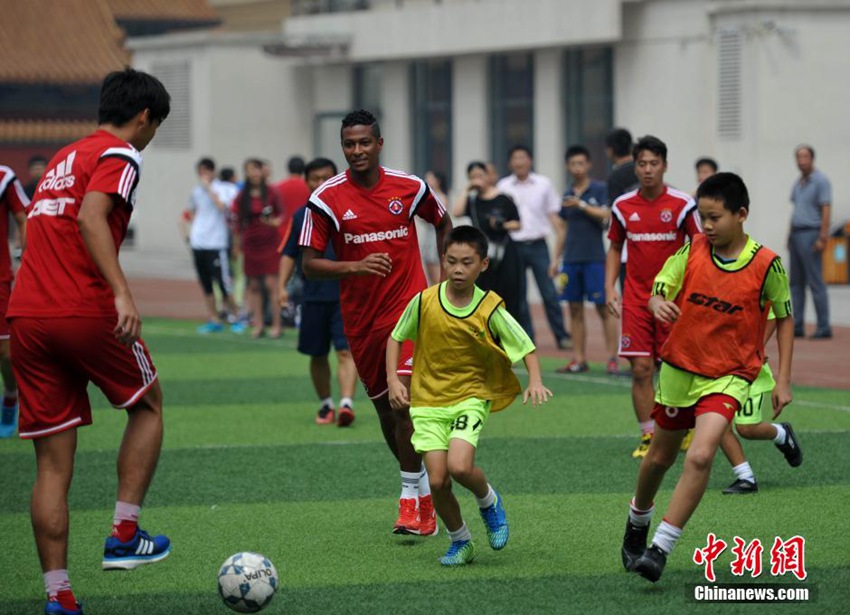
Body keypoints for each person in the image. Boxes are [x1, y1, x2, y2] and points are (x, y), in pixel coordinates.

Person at [7, 68, 171, 615]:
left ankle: (60, 597)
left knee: (52, 466)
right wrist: (122, 293)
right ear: (144, 117)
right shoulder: (121, 154)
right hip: (83, 308)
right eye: (155, 126)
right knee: (148, 405)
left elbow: (36, 226)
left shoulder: (61, 158)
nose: (151, 137)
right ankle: (125, 534)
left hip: (27, 315)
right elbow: (92, 217)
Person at [621, 172, 793, 583]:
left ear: (742, 215)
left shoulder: (768, 264)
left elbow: (784, 318)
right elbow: (659, 289)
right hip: (681, 369)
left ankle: (660, 548)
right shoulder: (692, 250)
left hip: (730, 375)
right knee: (658, 459)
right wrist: (658, 301)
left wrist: (783, 379)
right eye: (703, 216)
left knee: (699, 455)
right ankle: (637, 521)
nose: (707, 225)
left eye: (715, 217)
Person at [299, 109, 452, 535]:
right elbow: (309, 265)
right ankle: (421, 491)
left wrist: (442, 282)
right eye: (349, 144)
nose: (357, 151)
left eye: (365, 142)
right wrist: (355, 267)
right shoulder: (325, 199)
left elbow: (443, 222)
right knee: (385, 410)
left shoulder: (411, 186)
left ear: (379, 144)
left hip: (409, 313)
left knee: (405, 406)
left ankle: (408, 503)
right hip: (361, 320)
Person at [386, 225, 552, 565]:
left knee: (460, 467)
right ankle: (460, 540)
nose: (458, 269)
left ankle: (488, 500)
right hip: (428, 401)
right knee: (437, 480)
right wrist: (393, 379)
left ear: (483, 265)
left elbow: (525, 346)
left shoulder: (489, 308)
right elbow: (396, 336)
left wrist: (535, 379)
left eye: (466, 262)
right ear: (443, 261)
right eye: (451, 261)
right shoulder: (424, 301)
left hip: (470, 397)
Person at [605, 136, 701, 459]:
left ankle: (683, 427)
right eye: (642, 164)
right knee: (641, 369)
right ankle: (648, 435)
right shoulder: (622, 206)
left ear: (665, 166)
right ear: (635, 167)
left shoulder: (683, 204)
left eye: (654, 164)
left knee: (675, 368)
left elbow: (699, 246)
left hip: (674, 302)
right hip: (635, 299)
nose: (648, 170)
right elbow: (615, 247)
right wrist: (609, 289)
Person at [279, 157, 357, 426]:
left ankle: (346, 404)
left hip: (346, 296)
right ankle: (326, 405)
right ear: (307, 182)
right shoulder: (302, 216)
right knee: (317, 353)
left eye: (327, 177)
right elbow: (290, 254)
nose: (321, 183)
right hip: (312, 296)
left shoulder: (351, 212)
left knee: (346, 351)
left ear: (338, 179)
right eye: (316, 178)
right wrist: (281, 287)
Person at [716, 310, 803, 494]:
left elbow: (773, 316)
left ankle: (781, 434)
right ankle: (745, 477)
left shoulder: (752, 283)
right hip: (717, 366)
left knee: (746, 428)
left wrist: (756, 348)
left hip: (747, 369)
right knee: (716, 422)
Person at [551, 145, 618, 375]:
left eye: (581, 163)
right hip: (571, 260)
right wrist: (555, 260)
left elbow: (607, 214)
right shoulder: (566, 194)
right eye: (573, 164)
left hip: (595, 258)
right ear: (567, 166)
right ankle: (579, 359)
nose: (577, 168)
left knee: (603, 309)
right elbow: (563, 230)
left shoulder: (599, 189)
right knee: (575, 310)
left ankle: (611, 358)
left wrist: (581, 204)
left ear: (588, 164)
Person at [496, 145, 571, 349]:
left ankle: (562, 336)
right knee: (519, 296)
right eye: (515, 158)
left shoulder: (543, 184)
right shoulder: (503, 186)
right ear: (510, 163)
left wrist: (558, 255)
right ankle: (527, 339)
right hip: (513, 245)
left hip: (538, 245)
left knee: (549, 293)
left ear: (530, 160)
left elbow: (555, 218)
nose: (519, 162)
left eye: (523, 157)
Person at [453, 161, 523, 321]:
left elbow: (518, 223)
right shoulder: (471, 201)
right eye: (472, 177)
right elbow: (456, 212)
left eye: (480, 175)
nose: (477, 179)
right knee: (483, 293)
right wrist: (466, 190)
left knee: (509, 294)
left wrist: (501, 224)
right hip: (483, 253)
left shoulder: (503, 198)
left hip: (505, 252)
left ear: (488, 176)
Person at [181, 157, 243, 334]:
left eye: (206, 171)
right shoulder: (196, 191)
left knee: (224, 284)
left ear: (213, 171)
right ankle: (214, 318)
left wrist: (208, 187)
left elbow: (222, 206)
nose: (203, 175)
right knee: (206, 283)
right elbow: (191, 211)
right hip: (198, 243)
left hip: (216, 243)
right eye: (200, 172)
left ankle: (237, 317)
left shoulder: (225, 189)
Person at [232, 158, 283, 339]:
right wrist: (236, 246)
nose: (254, 173)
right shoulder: (242, 195)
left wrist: (272, 222)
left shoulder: (271, 192)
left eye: (257, 169)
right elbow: (238, 223)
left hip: (269, 241)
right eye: (250, 170)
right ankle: (258, 324)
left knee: (271, 284)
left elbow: (281, 217)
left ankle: (277, 325)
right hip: (250, 242)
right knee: (253, 285)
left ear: (263, 171)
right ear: (245, 172)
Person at [789, 145, 832, 339]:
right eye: (798, 157)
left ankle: (823, 326)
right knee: (796, 283)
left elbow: (825, 209)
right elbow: (795, 210)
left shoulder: (821, 181)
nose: (801, 161)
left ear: (812, 158)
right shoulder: (798, 184)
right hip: (796, 234)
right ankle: (797, 325)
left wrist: (823, 236)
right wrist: (789, 236)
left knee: (815, 282)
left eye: (805, 157)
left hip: (811, 233)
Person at [0, 164, 29, 438]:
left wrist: (23, 261)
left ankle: (10, 396)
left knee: (6, 353)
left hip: (0, 280)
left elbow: (24, 217)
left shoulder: (4, 176)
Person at [605, 128, 637, 293]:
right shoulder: (641, 169)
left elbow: (614, 212)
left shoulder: (615, 176)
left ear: (610, 149)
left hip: (627, 245)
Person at [417, 170, 447, 285]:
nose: (427, 181)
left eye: (430, 178)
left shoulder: (441, 197)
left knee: (435, 270)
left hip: (434, 236)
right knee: (429, 268)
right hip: (429, 236)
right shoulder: (429, 196)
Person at [273, 156, 311, 231]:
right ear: (304, 169)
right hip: (304, 230)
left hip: (283, 232)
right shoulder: (310, 187)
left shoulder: (277, 187)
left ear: (288, 168)